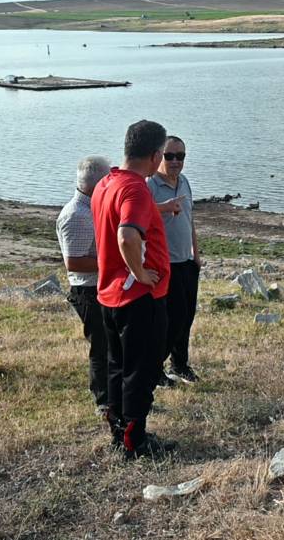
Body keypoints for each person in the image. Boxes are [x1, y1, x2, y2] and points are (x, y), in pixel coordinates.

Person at [91, 120, 176, 459]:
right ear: (156, 155)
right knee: (140, 372)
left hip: (109, 294)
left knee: (117, 366)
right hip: (137, 296)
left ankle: (118, 430)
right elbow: (127, 236)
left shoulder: (105, 183)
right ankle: (135, 441)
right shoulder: (136, 189)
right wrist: (140, 273)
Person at [56, 156, 111, 420]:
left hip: (101, 287)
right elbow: (75, 263)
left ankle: (115, 398)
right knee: (101, 347)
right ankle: (104, 401)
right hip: (88, 291)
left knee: (113, 345)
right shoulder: (77, 215)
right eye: (108, 179)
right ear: (97, 182)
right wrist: (114, 261)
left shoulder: (92, 209)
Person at [148, 135, 202, 387]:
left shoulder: (185, 183)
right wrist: (163, 208)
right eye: (169, 156)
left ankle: (180, 364)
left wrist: (196, 255)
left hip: (187, 262)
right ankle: (154, 367)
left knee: (187, 316)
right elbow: (139, 220)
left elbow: (190, 220)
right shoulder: (150, 186)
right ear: (159, 157)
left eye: (180, 156)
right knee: (171, 319)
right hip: (164, 264)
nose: (175, 161)